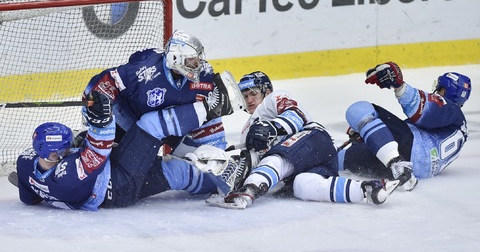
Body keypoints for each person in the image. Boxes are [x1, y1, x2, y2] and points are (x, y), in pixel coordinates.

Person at [15, 89, 247, 210]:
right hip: (118, 183)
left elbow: (29, 198)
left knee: (175, 172)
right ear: (53, 154)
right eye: (65, 149)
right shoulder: (67, 176)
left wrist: (41, 189)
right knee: (150, 125)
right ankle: (210, 108)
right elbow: (100, 145)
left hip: (107, 186)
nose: (69, 149)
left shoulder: (26, 164)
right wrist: (102, 119)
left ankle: (225, 175)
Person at [203, 71, 399, 209]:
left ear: (267, 91)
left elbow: (297, 114)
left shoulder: (275, 99)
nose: (249, 100)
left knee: (278, 158)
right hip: (304, 167)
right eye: (245, 96)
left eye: (253, 93)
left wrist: (274, 127)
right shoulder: (247, 130)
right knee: (303, 186)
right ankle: (368, 189)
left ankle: (249, 191)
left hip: (314, 139)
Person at [83, 29, 235, 156]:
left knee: (207, 120)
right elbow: (101, 85)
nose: (198, 64)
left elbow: (211, 110)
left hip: (168, 124)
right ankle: (84, 140)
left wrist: (217, 150)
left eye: (198, 59)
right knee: (129, 158)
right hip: (129, 116)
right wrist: (94, 105)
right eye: (192, 60)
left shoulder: (204, 74)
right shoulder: (143, 71)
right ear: (175, 59)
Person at [337, 62, 471, 191]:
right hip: (411, 166)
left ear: (445, 92)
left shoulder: (452, 110)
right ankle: (396, 165)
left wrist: (399, 86)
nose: (436, 91)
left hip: (406, 151)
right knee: (335, 158)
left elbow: (424, 110)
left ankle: (397, 164)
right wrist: (370, 134)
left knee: (358, 110)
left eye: (440, 88)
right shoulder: (458, 126)